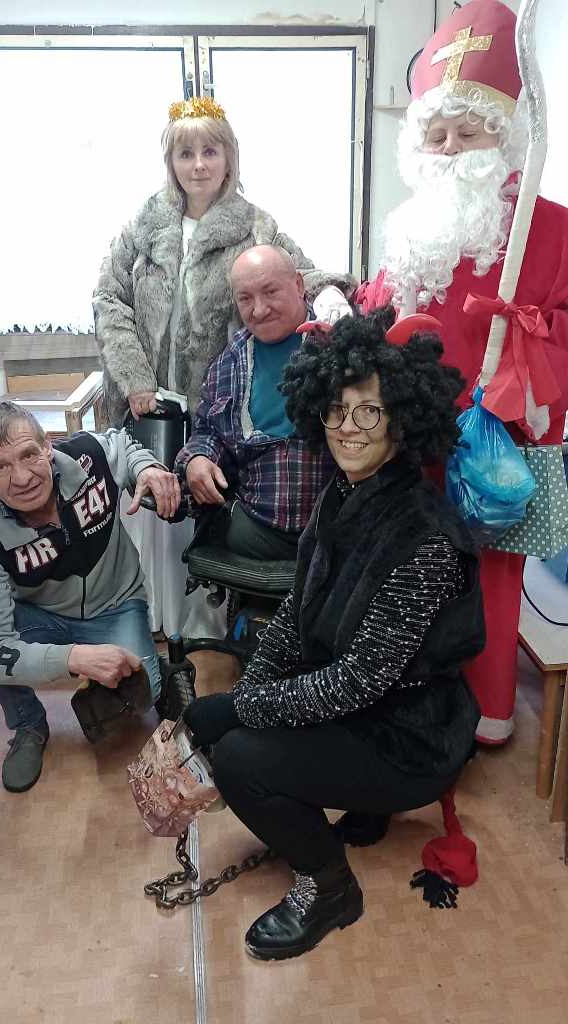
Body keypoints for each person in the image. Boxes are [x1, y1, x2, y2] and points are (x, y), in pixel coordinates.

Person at [181, 310, 486, 961]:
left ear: (402, 422)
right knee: (222, 720)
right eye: (337, 411)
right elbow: (297, 614)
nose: (348, 427)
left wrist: (248, 707)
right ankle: (361, 808)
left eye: (369, 412)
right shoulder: (341, 494)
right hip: (368, 711)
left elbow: (359, 682)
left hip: (411, 740)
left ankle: (329, 887)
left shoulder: (426, 539)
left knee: (237, 758)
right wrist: (253, 687)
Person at [356, 0, 568, 744]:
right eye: (437, 133)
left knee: (488, 574)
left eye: (468, 132)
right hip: (412, 433)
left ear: (503, 137)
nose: (450, 148)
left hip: (493, 437)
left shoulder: (552, 227)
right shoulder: (409, 223)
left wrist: (531, 342)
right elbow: (381, 305)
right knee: (405, 566)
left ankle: (485, 713)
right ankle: (407, 691)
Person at [93, 95, 354, 635]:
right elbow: (108, 299)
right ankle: (150, 622)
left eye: (209, 152)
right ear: (170, 161)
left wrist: (332, 295)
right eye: (185, 154)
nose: (198, 166)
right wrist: (135, 378)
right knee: (149, 506)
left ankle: (201, 626)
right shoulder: (142, 224)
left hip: (216, 393)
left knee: (201, 499)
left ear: (229, 157)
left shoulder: (255, 224)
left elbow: (298, 275)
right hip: (146, 398)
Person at [0, 400, 180, 793]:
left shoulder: (88, 454)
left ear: (48, 446)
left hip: (116, 604)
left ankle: (154, 670)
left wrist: (146, 468)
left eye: (28, 455)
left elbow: (124, 444)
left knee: (144, 695)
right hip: (40, 613)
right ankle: (28, 724)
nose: (21, 478)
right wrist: (72, 659)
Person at [175, 245, 336, 560]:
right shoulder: (231, 360)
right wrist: (197, 459)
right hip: (252, 529)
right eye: (245, 299)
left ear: (299, 285)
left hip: (333, 533)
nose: (259, 310)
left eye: (270, 292)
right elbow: (208, 430)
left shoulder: (338, 343)